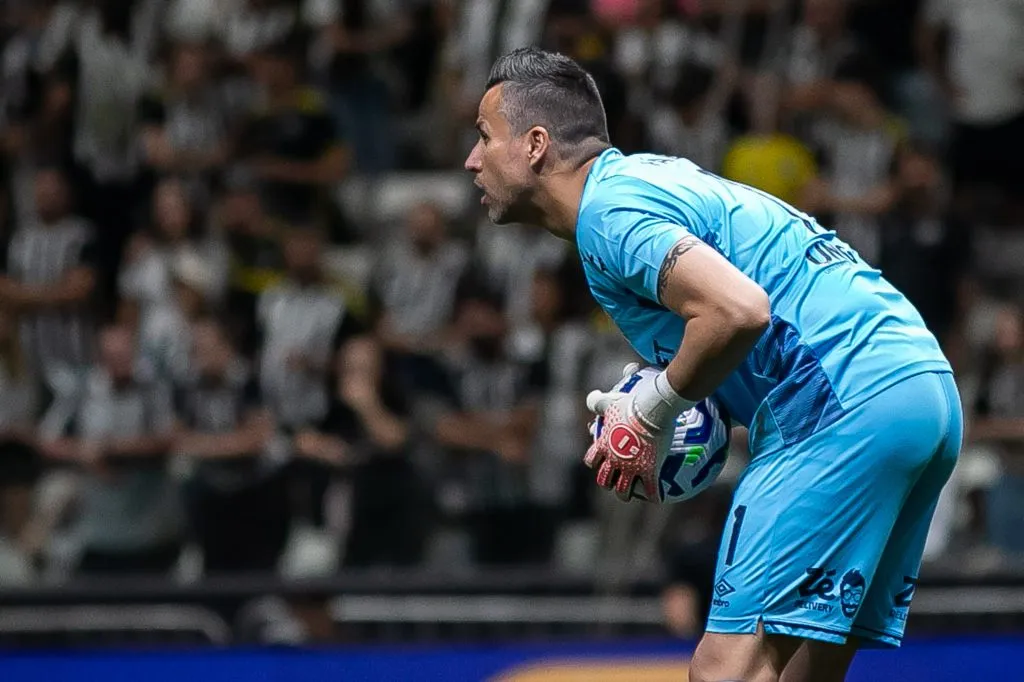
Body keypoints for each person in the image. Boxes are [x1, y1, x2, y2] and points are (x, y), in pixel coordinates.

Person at [464, 47, 961, 682]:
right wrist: (683, 414)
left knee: (724, 671)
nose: (472, 160)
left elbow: (738, 310)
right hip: (921, 391)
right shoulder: (651, 180)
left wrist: (650, 411)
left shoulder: (609, 213)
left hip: (837, 404)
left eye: (484, 137)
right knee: (805, 671)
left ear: (535, 145)